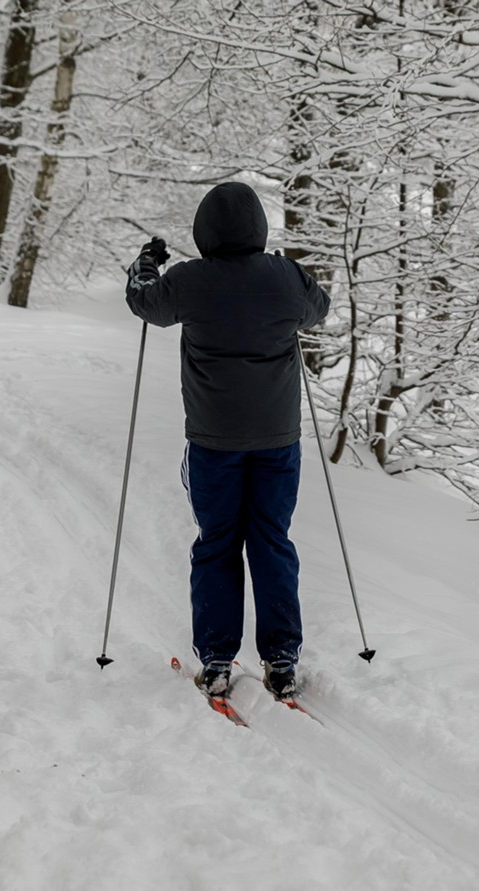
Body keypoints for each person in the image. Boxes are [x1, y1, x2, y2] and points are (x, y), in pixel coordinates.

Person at [124, 182, 331, 701]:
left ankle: (217, 660)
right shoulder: (285, 278)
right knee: (271, 541)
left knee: (217, 543)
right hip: (279, 442)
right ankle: (281, 660)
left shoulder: (191, 281)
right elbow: (318, 306)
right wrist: (286, 270)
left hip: (214, 442)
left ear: (205, 230)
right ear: (258, 229)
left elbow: (144, 302)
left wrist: (146, 262)